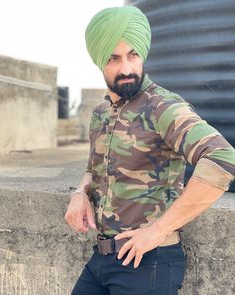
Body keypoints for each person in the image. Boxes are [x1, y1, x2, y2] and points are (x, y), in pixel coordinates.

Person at [65, 6, 235, 295]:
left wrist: (155, 232)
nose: (127, 68)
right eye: (114, 58)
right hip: (102, 258)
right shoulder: (100, 114)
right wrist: (81, 192)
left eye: (133, 55)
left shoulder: (162, 106)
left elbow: (223, 159)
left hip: (148, 262)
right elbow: (93, 168)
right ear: (99, 61)